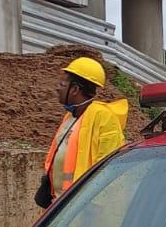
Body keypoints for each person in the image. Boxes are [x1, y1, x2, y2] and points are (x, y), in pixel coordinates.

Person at [36, 57, 128, 208]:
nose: (57, 88)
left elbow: (108, 169)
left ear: (75, 89)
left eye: (62, 84)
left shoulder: (103, 118)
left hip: (85, 209)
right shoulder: (70, 117)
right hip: (61, 205)